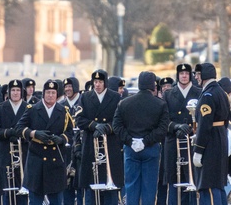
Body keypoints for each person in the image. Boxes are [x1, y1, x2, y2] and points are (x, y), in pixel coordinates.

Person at [113, 71, 169, 205]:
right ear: (153, 86)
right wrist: (145, 141)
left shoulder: (124, 103)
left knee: (131, 186)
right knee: (149, 188)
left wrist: (130, 141)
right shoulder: (160, 104)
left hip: (131, 149)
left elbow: (116, 126)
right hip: (151, 149)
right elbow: (162, 129)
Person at [16, 79, 74, 205]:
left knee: (56, 200)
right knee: (35, 200)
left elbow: (71, 132)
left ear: (57, 94)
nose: (50, 96)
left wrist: (62, 139)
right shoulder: (33, 109)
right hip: (37, 160)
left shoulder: (63, 111)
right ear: (43, 93)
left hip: (55, 161)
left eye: (53, 93)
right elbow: (19, 128)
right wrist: (34, 133)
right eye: (48, 92)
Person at [75, 70, 123, 205]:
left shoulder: (115, 97)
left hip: (110, 144)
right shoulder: (85, 97)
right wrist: (94, 125)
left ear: (105, 83)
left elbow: (120, 120)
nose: (97, 85)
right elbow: (79, 119)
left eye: (100, 82)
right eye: (95, 82)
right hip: (91, 144)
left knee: (111, 189)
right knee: (91, 182)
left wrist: (107, 128)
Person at [192, 63, 230, 205]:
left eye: (198, 74)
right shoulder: (221, 92)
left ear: (204, 76)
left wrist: (198, 149)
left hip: (210, 142)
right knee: (218, 185)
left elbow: (204, 125)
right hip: (220, 138)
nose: (195, 77)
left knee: (207, 185)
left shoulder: (207, 95)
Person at [163, 63, 201, 205]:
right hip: (174, 141)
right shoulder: (168, 94)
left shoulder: (199, 92)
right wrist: (176, 126)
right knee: (174, 179)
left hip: (192, 141)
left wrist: (192, 128)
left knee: (192, 179)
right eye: (181, 73)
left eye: (186, 73)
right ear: (177, 75)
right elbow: (163, 120)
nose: (184, 76)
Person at [0, 79, 28, 205]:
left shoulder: (29, 108)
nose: (16, 93)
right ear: (8, 92)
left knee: (24, 191)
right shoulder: (1, 108)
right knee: (8, 193)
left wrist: (22, 135)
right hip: (6, 155)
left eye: (18, 90)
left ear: (22, 92)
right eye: (13, 90)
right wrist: (9, 132)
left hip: (25, 155)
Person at [61, 77, 83, 205]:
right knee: (65, 185)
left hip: (80, 150)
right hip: (65, 150)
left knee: (79, 184)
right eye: (66, 87)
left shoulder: (83, 102)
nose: (68, 89)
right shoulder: (61, 105)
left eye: (70, 86)